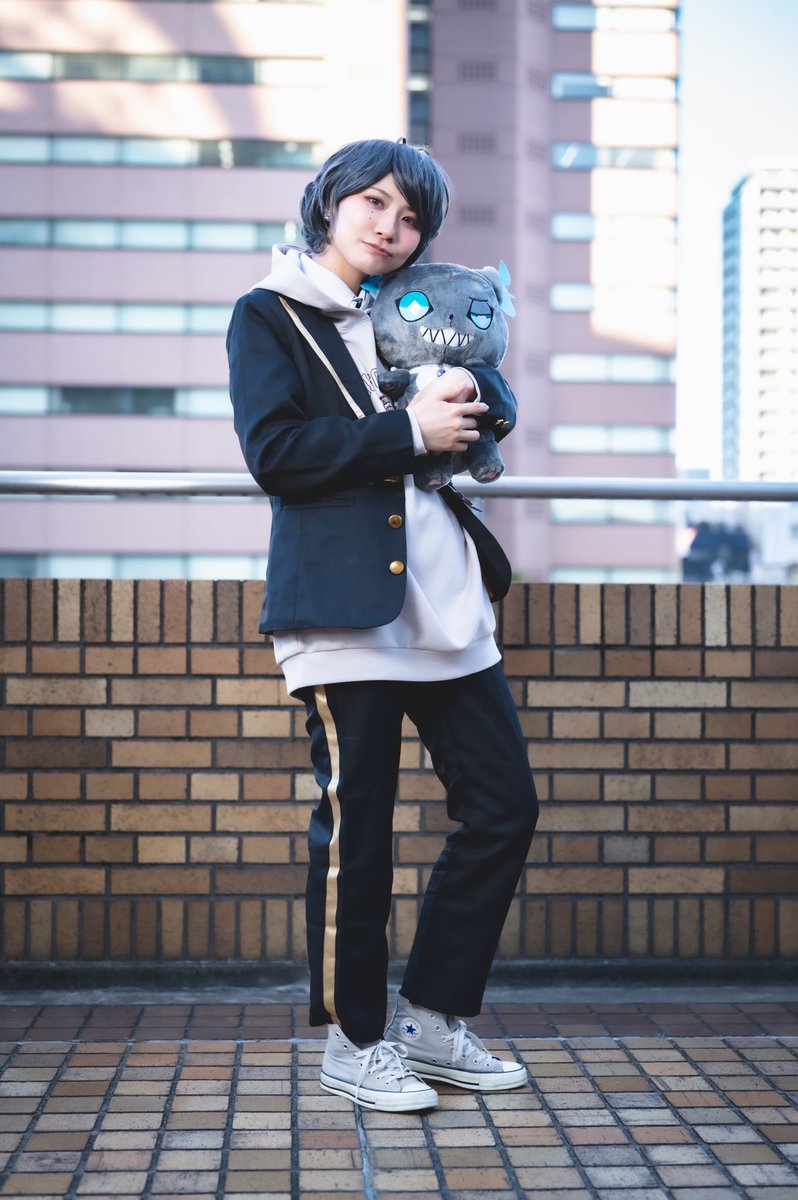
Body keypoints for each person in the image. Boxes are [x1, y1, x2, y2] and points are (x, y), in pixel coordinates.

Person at [227, 138, 538, 1113]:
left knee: (505, 808)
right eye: (373, 203)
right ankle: (355, 1042)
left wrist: (474, 398)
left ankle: (433, 1023)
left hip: (448, 604)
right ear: (330, 202)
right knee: (357, 833)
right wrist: (409, 429)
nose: (390, 227)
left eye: (410, 218)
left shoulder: (425, 303)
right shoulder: (270, 311)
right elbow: (276, 452)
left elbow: (493, 398)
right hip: (343, 612)